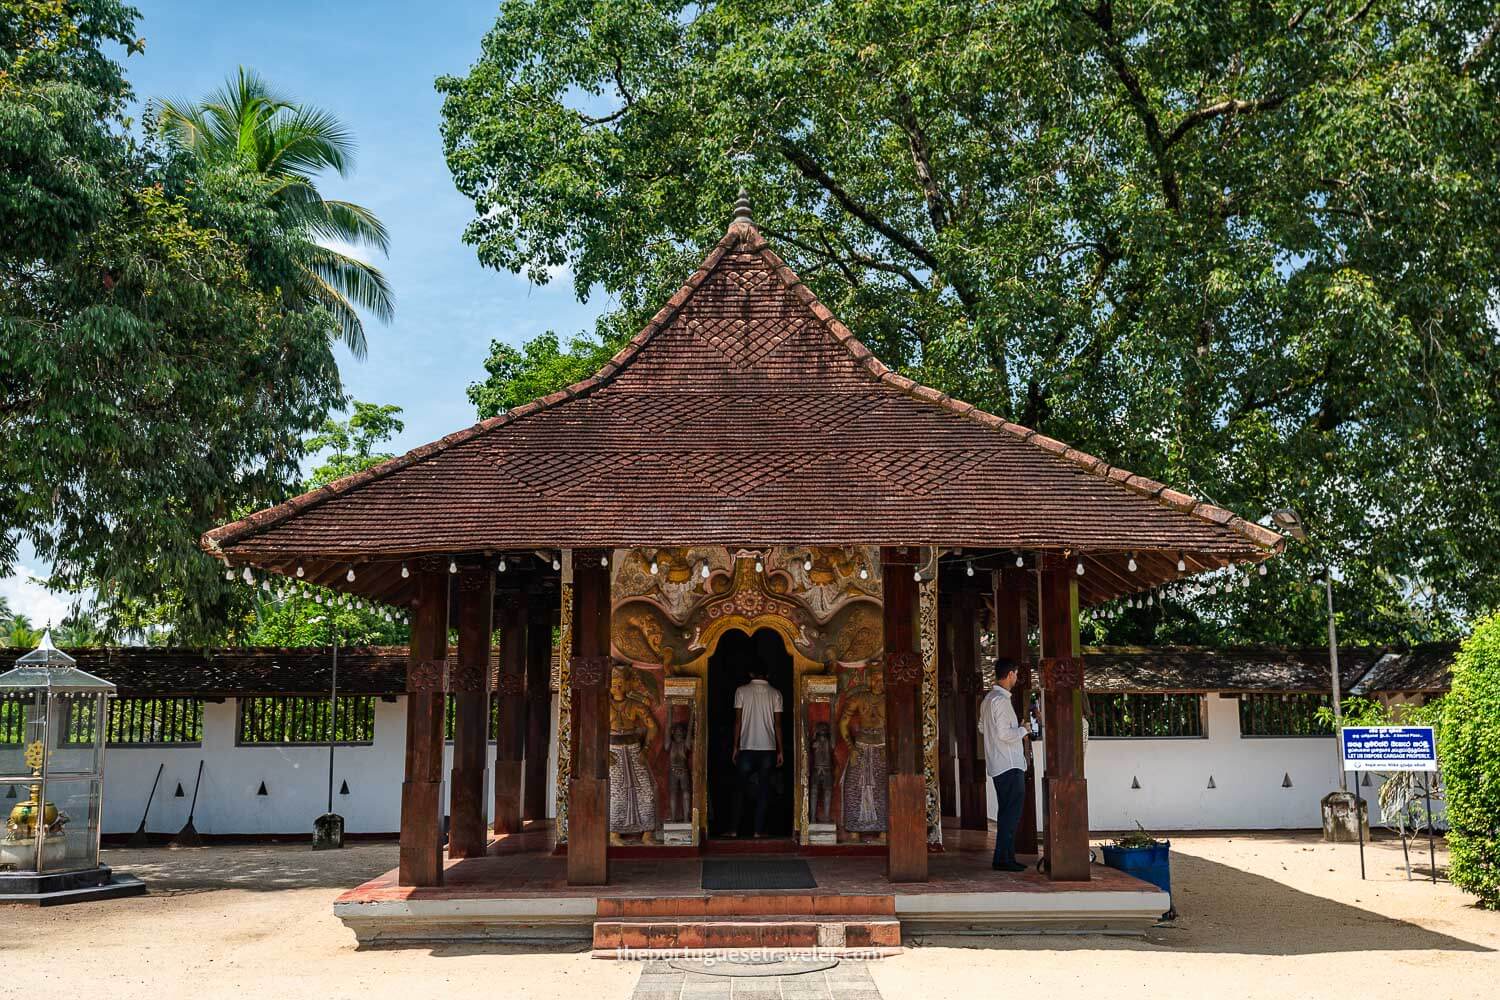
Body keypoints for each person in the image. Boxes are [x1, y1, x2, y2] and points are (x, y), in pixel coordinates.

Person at [980, 658, 1031, 871]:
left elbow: (982, 728)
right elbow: (1003, 734)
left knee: (1006, 813)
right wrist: (1024, 729)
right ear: (1010, 674)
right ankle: (1003, 859)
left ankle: (1005, 856)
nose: (1016, 678)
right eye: (1016, 674)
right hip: (1009, 764)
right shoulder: (1000, 700)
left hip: (998, 763)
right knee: (1011, 814)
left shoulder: (987, 699)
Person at [728, 664, 783, 838]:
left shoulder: (741, 691)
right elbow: (778, 724)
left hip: (746, 747)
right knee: (764, 789)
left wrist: (735, 746)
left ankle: (733, 829)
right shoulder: (775, 693)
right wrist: (780, 750)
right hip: (768, 749)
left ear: (750, 673)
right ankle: (758, 831)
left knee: (739, 789)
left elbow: (737, 721)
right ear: (768, 673)